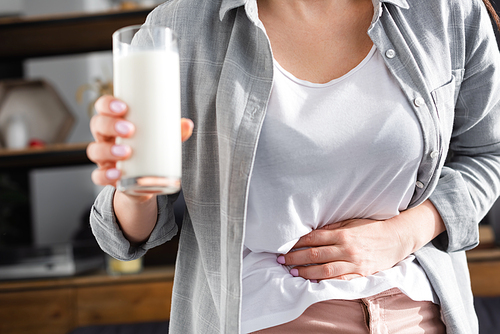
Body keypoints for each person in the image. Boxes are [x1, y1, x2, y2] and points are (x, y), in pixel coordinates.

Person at [87, 0, 500, 333]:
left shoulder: (448, 12)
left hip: (422, 313)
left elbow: (489, 153)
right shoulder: (181, 26)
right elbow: (125, 234)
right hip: (267, 316)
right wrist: (133, 190)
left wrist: (402, 234)